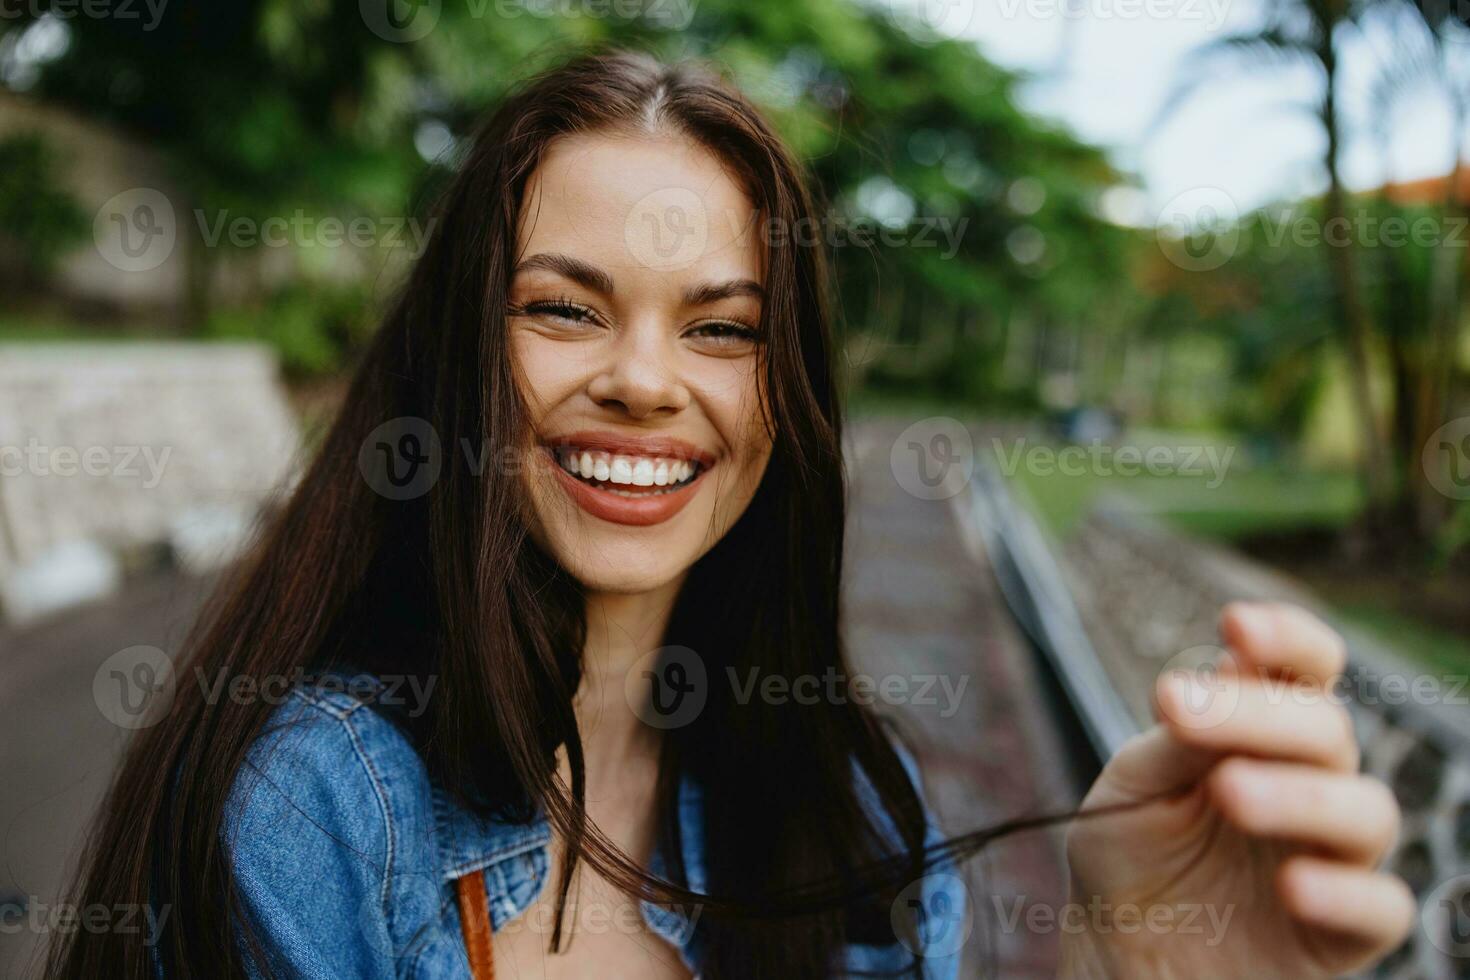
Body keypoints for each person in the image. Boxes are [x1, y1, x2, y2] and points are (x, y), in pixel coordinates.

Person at [48, 49, 1412, 979]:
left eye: (722, 330)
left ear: (787, 401)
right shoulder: (318, 805)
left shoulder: (862, 822)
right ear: (462, 353)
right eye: (562, 309)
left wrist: (1137, 952)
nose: (643, 383)